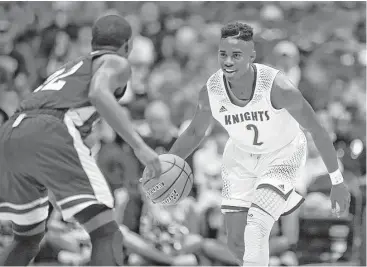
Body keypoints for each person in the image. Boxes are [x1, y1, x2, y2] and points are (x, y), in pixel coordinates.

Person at [167, 21, 351, 266]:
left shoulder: (278, 87)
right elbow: (194, 133)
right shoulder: (212, 89)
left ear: (251, 56)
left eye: (236, 55)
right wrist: (165, 163)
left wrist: (337, 182)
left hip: (281, 156)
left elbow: (317, 130)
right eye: (223, 54)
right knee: (234, 243)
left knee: (256, 226)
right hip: (242, 156)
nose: (228, 61)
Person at [0, 14, 161, 266]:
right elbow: (98, 93)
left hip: (11, 132)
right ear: (127, 46)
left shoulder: (69, 69)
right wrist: (140, 147)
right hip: (50, 128)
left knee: (27, 238)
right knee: (106, 230)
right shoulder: (116, 61)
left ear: (92, 44)